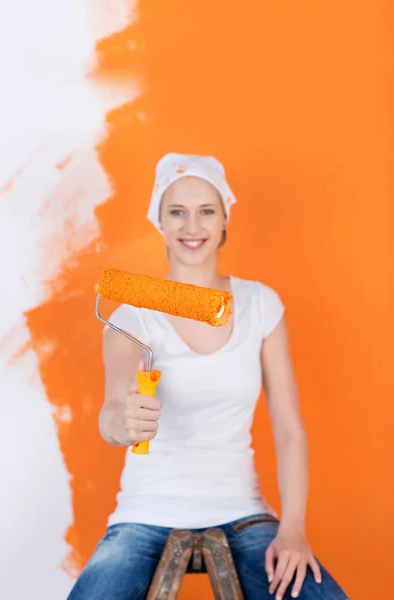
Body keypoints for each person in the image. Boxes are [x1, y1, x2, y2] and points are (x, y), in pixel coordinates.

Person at [68, 153, 349, 600]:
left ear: (224, 220)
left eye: (206, 211)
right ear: (159, 220)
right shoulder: (133, 314)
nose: (191, 226)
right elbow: (112, 412)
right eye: (177, 211)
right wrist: (124, 421)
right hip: (144, 514)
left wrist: (293, 529)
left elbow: (290, 429)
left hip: (243, 512)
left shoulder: (259, 304)